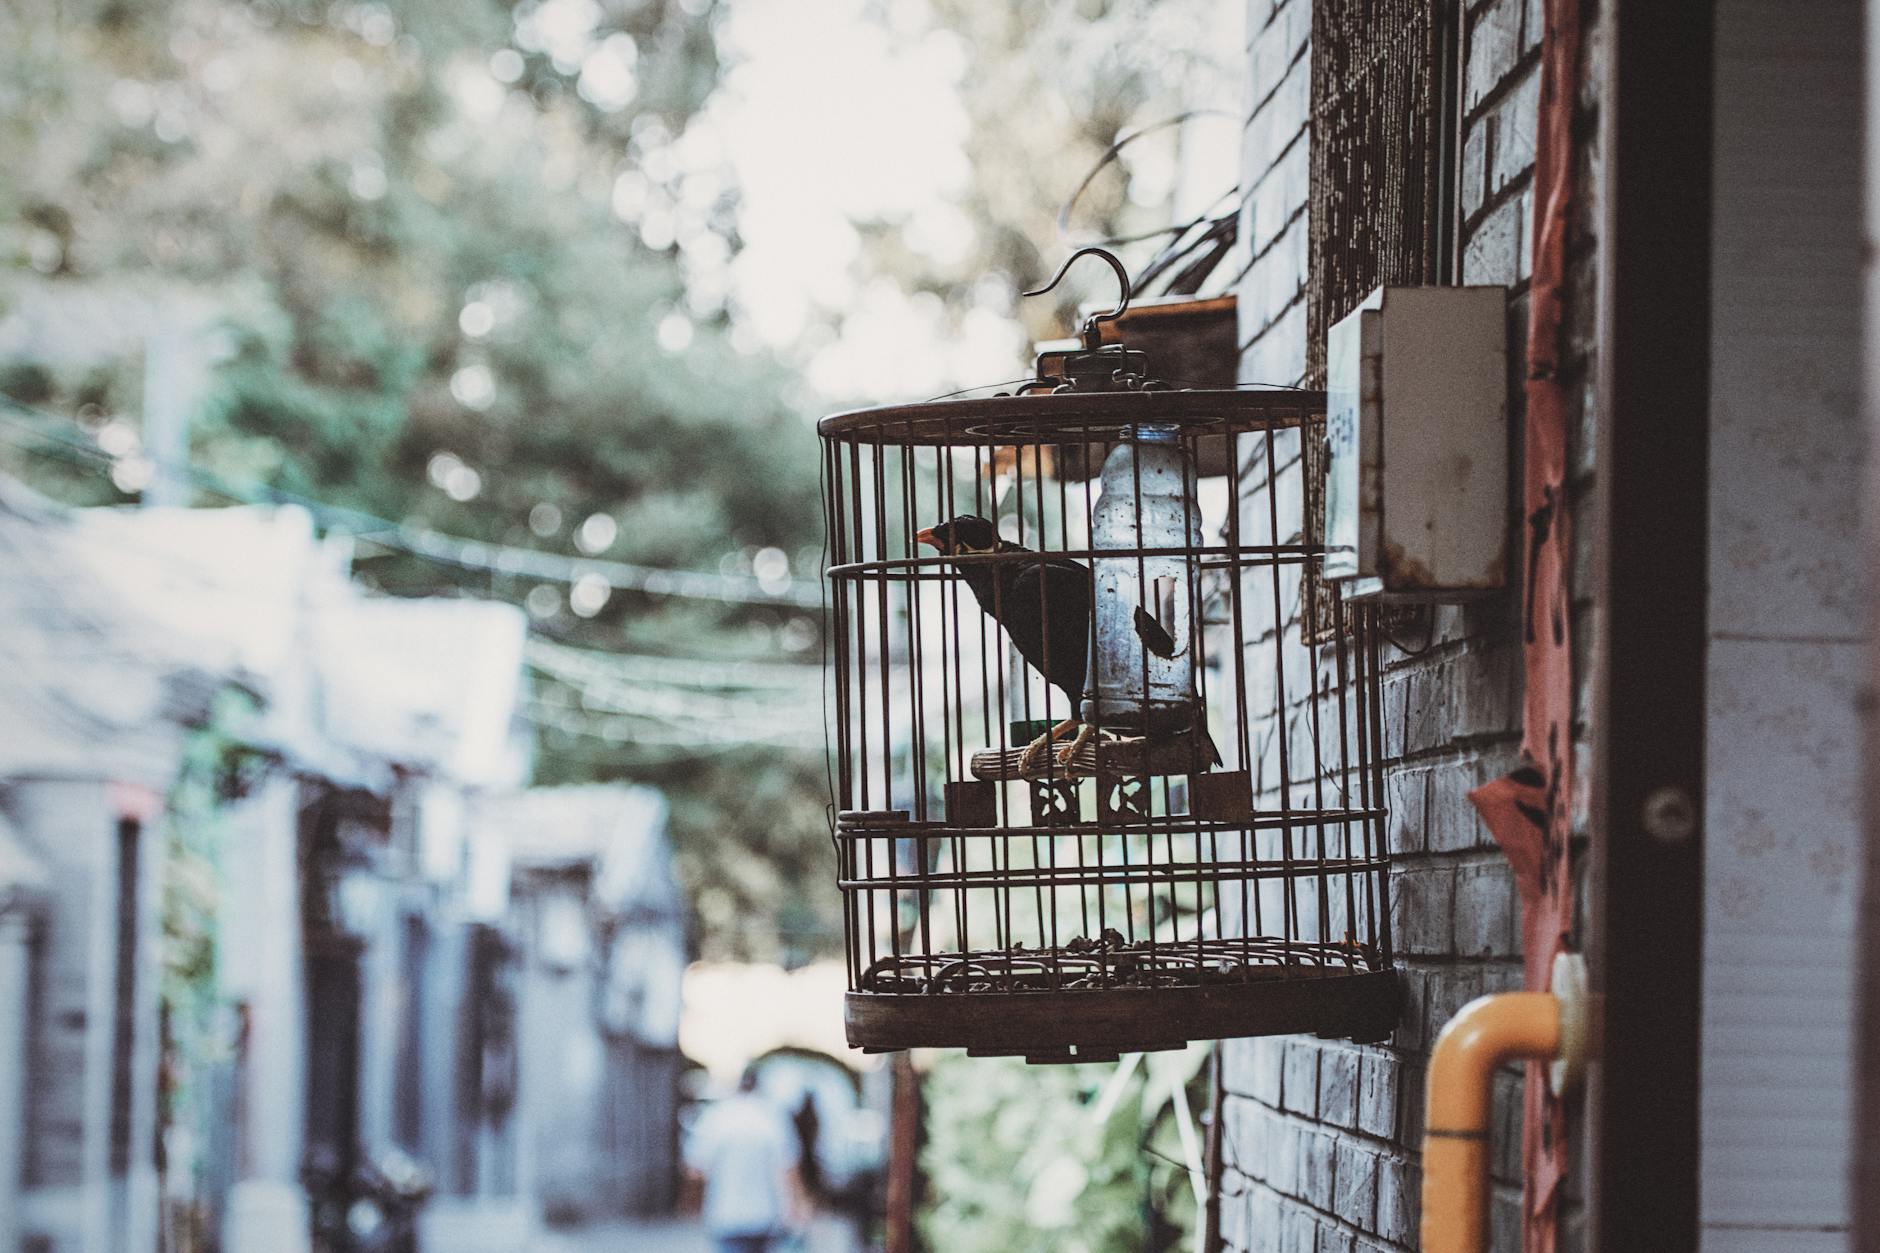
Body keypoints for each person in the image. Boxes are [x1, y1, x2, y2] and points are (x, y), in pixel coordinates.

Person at [684, 1065, 810, 1253]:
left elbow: (695, 1171)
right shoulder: (772, 1116)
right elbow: (789, 1168)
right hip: (766, 1216)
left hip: (726, 1216)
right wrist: (799, 1205)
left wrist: (693, 1202)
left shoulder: (717, 1116)